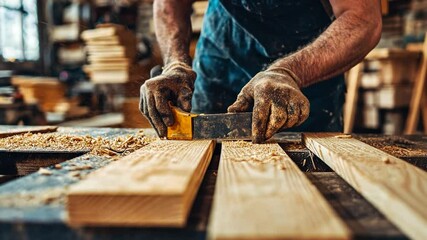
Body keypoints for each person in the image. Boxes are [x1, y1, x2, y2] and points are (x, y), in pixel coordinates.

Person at [140, 0, 382, 143]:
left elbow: (362, 20)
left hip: (308, 67)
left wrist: (289, 72)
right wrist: (174, 63)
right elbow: (169, 5)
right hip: (222, 56)